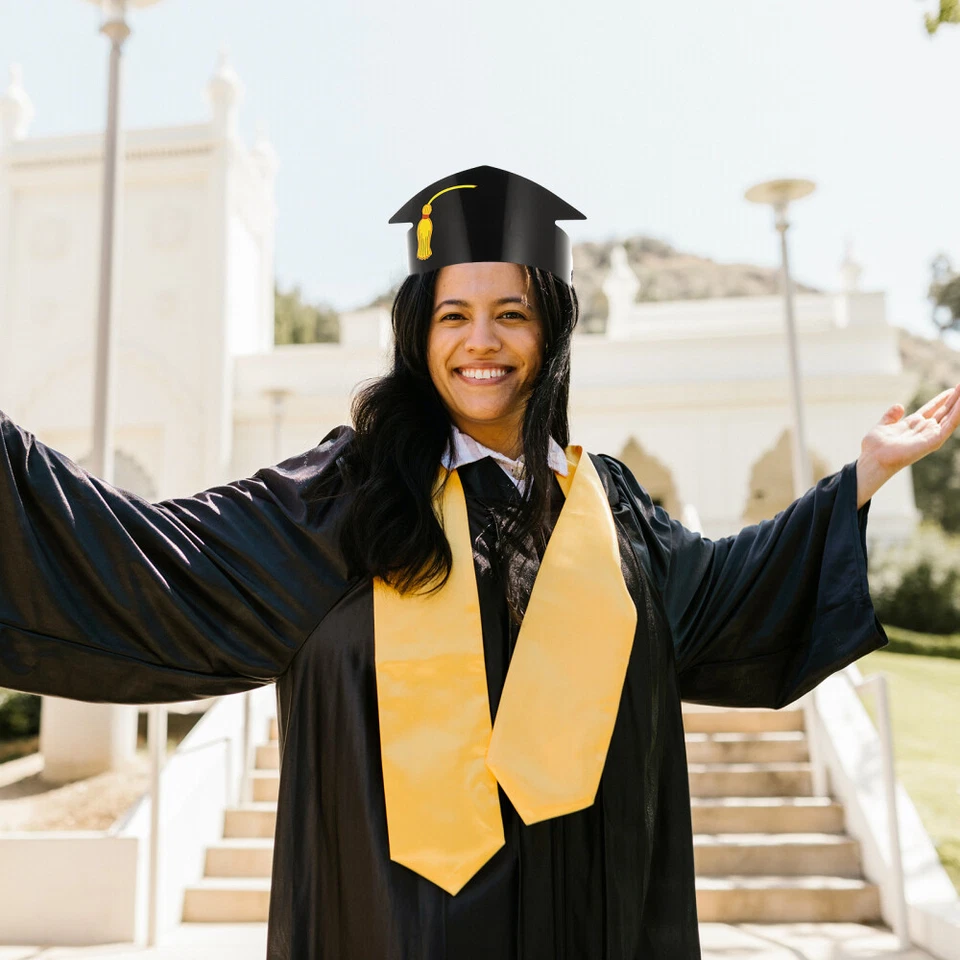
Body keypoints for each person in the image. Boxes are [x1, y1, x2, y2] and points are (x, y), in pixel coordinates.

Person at [1, 163, 958, 960]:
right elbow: (156, 559)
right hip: (385, 925)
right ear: (419, 332)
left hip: (582, 919)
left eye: (513, 313)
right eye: (453, 314)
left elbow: (724, 592)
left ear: (552, 335)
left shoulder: (606, 507)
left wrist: (858, 483)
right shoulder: (344, 497)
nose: (481, 342)